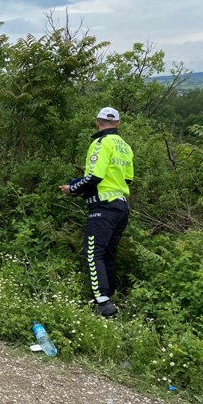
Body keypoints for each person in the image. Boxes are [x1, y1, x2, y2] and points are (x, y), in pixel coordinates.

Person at [60, 107, 133, 317]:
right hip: (121, 206)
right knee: (108, 254)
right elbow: (127, 179)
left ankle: (103, 303)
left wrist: (72, 188)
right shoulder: (125, 147)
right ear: (117, 124)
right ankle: (108, 296)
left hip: (104, 206)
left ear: (97, 123)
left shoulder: (101, 143)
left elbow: (94, 177)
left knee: (93, 253)